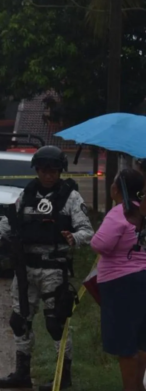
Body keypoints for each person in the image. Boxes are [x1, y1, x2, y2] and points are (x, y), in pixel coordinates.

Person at [0, 146, 94, 390]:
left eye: (53, 171)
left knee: (55, 323)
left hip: (54, 268)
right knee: (18, 320)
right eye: (43, 170)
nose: (48, 175)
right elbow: (8, 222)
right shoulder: (27, 194)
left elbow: (87, 231)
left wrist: (74, 238)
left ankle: (63, 377)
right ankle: (22, 373)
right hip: (26, 269)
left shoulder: (71, 198)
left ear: (60, 171)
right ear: (37, 170)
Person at [90, 168, 146, 391]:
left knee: (126, 344)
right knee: (141, 340)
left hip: (122, 285)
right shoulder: (142, 212)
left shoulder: (119, 213)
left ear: (117, 189)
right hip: (143, 280)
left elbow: (100, 244)